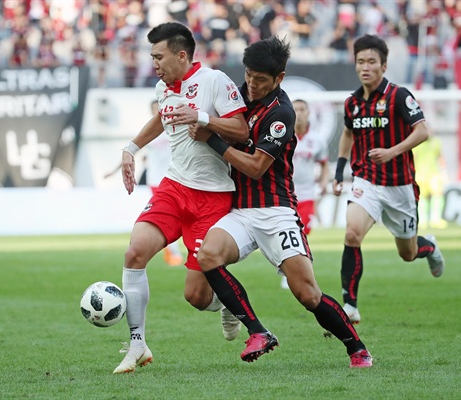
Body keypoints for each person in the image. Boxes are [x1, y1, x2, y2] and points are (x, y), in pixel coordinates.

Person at [190, 36, 373, 368]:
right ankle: (257, 331)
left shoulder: (282, 113)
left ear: (279, 78)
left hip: (277, 212)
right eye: (249, 76)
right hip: (241, 211)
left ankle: (356, 347)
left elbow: (257, 168)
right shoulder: (238, 96)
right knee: (209, 255)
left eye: (261, 80)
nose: (253, 84)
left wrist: (213, 139)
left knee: (307, 294)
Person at [113, 22, 249, 374]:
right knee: (134, 252)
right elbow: (162, 116)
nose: (154, 63)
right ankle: (137, 344)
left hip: (213, 198)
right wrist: (131, 147)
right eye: (152, 56)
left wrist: (203, 117)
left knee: (196, 297)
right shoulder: (163, 87)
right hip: (174, 187)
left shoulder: (215, 81)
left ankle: (225, 304)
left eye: (159, 56)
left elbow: (242, 129)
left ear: (181, 55)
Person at [332, 34, 445, 325]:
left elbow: (422, 130)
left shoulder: (399, 95)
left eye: (371, 61)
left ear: (383, 66)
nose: (365, 67)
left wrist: (392, 152)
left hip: (399, 186)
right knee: (352, 233)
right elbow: (347, 134)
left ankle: (428, 246)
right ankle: (350, 305)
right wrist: (339, 171)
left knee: (407, 254)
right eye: (360, 62)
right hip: (365, 181)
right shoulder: (352, 103)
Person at [104, 99, 186, 267]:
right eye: (154, 109)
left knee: (180, 215)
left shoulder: (174, 129)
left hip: (176, 177)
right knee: (170, 216)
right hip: (156, 180)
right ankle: (173, 253)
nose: (157, 111)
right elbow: (133, 150)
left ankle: (175, 250)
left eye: (159, 108)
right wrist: (113, 171)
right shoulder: (151, 134)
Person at [280, 99, 329, 290]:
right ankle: (291, 272)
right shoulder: (283, 136)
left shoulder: (316, 140)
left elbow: (324, 164)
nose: (299, 113)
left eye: (302, 109)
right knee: (289, 233)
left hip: (307, 193)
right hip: (285, 193)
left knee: (303, 231)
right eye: (295, 109)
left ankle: (294, 271)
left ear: (309, 113)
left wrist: (324, 183)